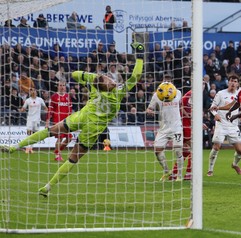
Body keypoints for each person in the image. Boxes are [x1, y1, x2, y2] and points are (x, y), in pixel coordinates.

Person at [0, 42, 145, 198]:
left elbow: (75, 74)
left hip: (82, 116)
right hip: (94, 126)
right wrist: (140, 56)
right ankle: (47, 186)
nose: (111, 79)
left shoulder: (96, 86)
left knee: (51, 132)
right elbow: (135, 76)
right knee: (72, 155)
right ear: (108, 86)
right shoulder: (118, 92)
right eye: (108, 79)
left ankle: (17, 148)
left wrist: (91, 77)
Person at [146, 76, 184, 182]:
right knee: (157, 150)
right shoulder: (156, 95)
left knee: (177, 149)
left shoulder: (178, 93)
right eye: (165, 80)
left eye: (169, 81)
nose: (167, 82)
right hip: (163, 128)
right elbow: (149, 108)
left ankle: (179, 176)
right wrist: (149, 111)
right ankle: (167, 171)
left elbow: (180, 106)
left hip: (176, 127)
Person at [207, 75, 241, 177]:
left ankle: (235, 164)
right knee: (216, 146)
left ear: (237, 84)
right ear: (228, 82)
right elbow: (212, 108)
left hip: (233, 125)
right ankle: (210, 169)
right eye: (231, 81)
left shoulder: (240, 94)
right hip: (221, 124)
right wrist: (216, 115)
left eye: (235, 81)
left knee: (240, 150)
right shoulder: (221, 94)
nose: (233, 83)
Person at [46, 80, 73, 161]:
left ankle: (57, 151)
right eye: (60, 85)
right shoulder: (54, 97)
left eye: (63, 85)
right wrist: (47, 121)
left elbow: (70, 110)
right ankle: (58, 155)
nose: (62, 87)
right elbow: (50, 110)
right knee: (60, 138)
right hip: (57, 121)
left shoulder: (68, 96)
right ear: (57, 86)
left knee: (69, 139)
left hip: (67, 121)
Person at [19, 88, 48, 153]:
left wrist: (48, 112)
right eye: (31, 91)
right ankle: (27, 148)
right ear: (29, 92)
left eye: (34, 90)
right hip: (30, 119)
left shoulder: (40, 100)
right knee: (29, 133)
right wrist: (20, 110)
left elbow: (45, 107)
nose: (33, 92)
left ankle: (31, 148)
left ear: (36, 91)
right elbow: (23, 108)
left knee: (35, 135)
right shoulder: (28, 100)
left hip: (37, 120)